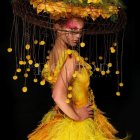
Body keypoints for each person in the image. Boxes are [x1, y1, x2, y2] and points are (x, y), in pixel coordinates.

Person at [27, 17, 127, 140]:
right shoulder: (71, 58)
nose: (78, 35)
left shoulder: (53, 54)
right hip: (77, 124)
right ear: (58, 27)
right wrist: (77, 116)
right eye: (73, 30)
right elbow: (57, 95)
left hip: (61, 117)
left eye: (80, 31)